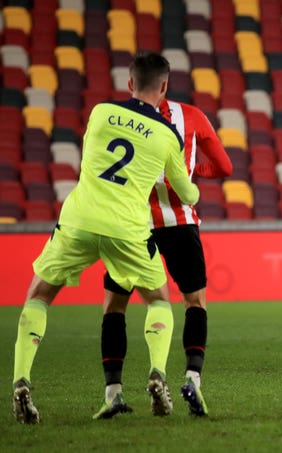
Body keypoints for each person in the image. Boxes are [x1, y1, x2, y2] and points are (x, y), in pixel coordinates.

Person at [12, 52, 199, 424]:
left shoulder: (99, 113)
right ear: (164, 87)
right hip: (128, 228)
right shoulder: (167, 136)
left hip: (79, 220)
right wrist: (191, 183)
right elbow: (185, 193)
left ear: (130, 83)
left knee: (39, 295)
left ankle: (21, 380)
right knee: (159, 301)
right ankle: (157, 374)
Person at [94, 97, 232, 419]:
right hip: (180, 223)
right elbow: (225, 167)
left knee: (115, 306)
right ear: (165, 84)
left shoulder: (118, 116)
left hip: (131, 224)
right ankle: (192, 379)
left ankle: (113, 392)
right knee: (194, 303)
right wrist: (193, 167)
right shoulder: (192, 116)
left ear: (132, 84)